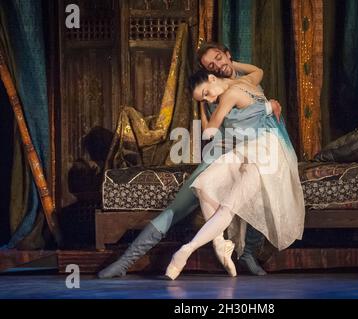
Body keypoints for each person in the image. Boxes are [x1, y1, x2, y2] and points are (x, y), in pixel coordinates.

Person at [97, 44, 282, 279]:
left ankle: (247, 255)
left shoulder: (249, 82)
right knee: (179, 206)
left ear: (228, 54)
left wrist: (269, 106)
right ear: (208, 74)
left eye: (219, 58)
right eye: (210, 66)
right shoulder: (212, 92)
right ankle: (125, 261)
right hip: (222, 155)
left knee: (260, 191)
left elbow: (260, 103)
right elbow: (210, 131)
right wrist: (204, 105)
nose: (218, 65)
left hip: (250, 155)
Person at [165, 65, 305, 280]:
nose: (209, 100)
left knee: (229, 204)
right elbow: (259, 70)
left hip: (267, 150)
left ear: (212, 78)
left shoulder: (229, 94)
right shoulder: (249, 81)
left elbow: (210, 132)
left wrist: (202, 110)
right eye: (203, 100)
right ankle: (220, 243)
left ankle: (186, 250)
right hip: (248, 147)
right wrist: (230, 65)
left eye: (205, 94)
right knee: (203, 184)